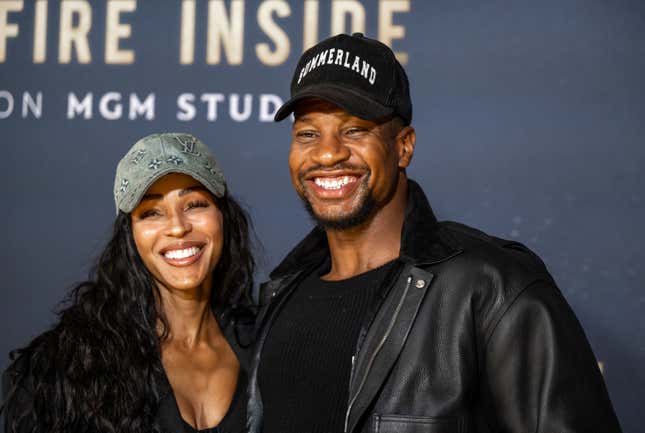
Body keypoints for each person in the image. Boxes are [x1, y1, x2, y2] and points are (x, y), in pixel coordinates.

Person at [248, 33, 622, 433]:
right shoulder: (279, 296)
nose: (326, 153)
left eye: (355, 130)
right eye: (307, 134)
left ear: (404, 146)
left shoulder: (495, 288)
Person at [2, 133, 255, 433]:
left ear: (223, 216)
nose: (177, 226)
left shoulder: (267, 345)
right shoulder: (70, 367)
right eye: (151, 212)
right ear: (130, 236)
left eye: (195, 204)